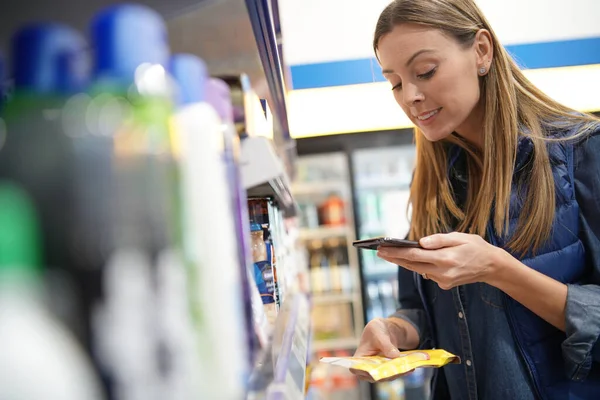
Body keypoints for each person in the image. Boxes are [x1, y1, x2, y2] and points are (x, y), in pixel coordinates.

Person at [353, 0, 600, 399]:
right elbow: (426, 308)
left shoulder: (583, 153)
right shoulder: (436, 182)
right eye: (395, 82)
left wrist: (499, 270)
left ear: (482, 51)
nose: (410, 96)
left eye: (425, 72)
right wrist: (398, 330)